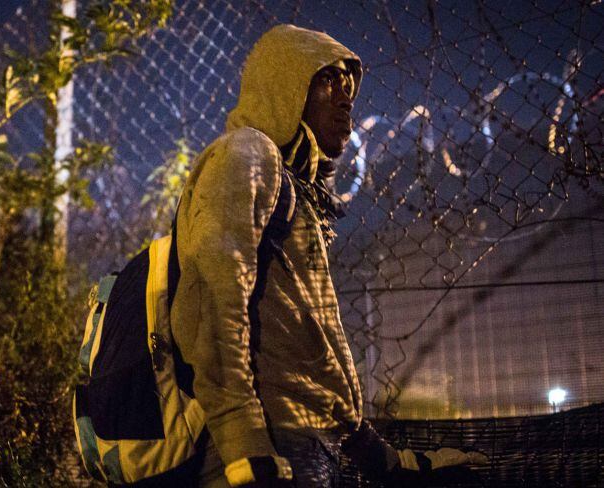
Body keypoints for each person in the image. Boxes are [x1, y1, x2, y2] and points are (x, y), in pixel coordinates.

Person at [170, 24, 485, 487]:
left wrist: (381, 458)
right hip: (267, 441)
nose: (345, 100)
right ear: (283, 87)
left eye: (349, 90)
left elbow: (310, 345)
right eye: (327, 81)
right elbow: (215, 297)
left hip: (302, 439)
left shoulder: (294, 188)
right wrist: (242, 439)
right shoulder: (247, 153)